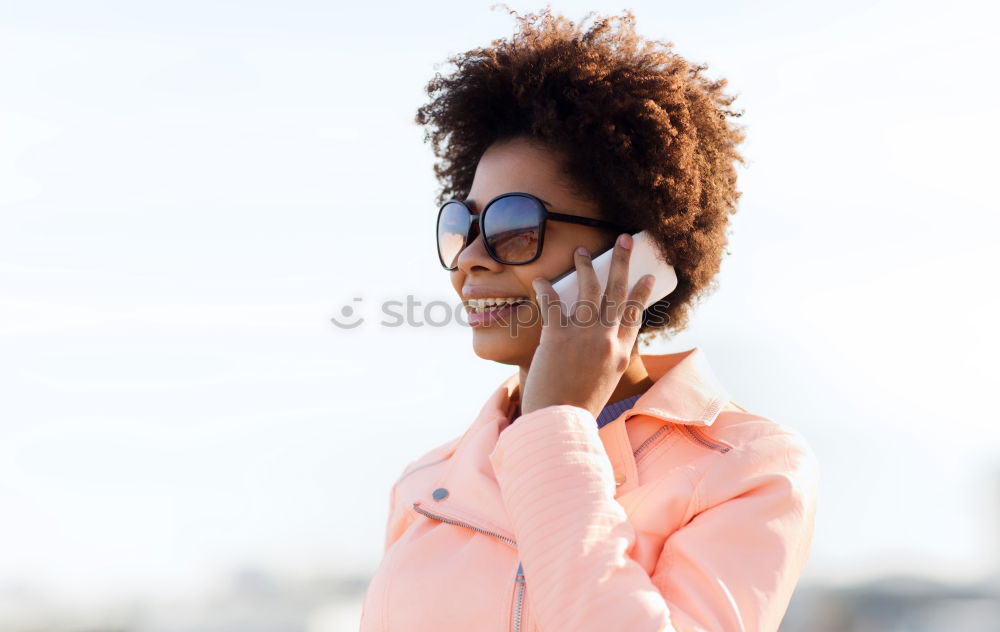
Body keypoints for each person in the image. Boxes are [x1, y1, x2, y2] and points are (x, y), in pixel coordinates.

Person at [359, 7, 819, 631]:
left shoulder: (749, 466)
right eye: (461, 224)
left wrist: (555, 426)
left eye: (513, 227)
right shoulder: (426, 483)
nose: (468, 259)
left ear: (637, 256)